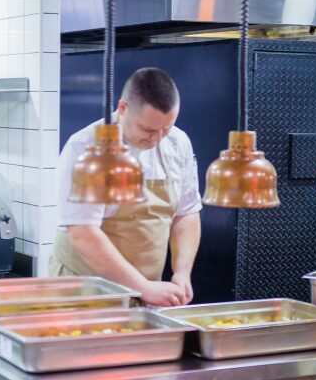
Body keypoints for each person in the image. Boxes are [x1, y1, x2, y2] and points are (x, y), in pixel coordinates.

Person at [50, 67, 202, 307]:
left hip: (147, 290)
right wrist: (141, 287)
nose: (157, 138)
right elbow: (82, 233)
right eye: (148, 129)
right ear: (122, 108)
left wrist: (182, 272)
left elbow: (186, 213)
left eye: (167, 128)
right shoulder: (84, 147)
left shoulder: (177, 142)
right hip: (83, 288)